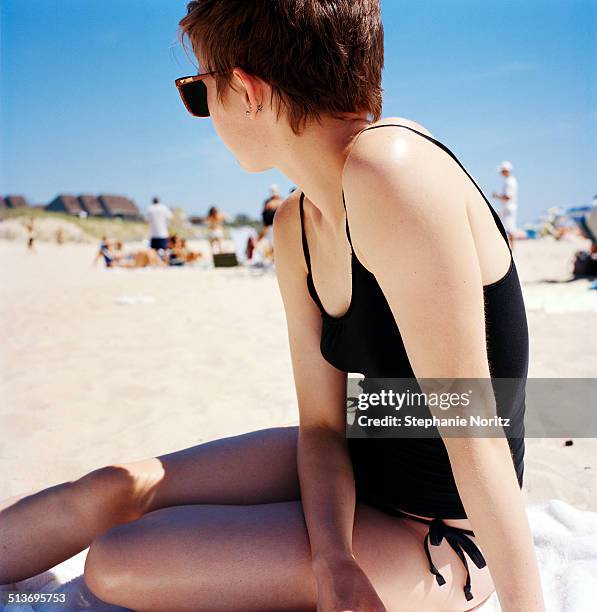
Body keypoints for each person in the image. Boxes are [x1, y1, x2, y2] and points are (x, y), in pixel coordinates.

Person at [0, 2, 544, 611]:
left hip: (441, 528)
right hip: (364, 452)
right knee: (110, 492)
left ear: (246, 90)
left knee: (121, 559)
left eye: (197, 92)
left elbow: (474, 435)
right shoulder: (297, 223)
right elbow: (321, 427)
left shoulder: (395, 174)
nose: (201, 113)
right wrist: (330, 553)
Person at [492, 161, 519, 249]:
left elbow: (508, 197)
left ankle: (512, 248)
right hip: (506, 208)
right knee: (506, 227)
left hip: (508, 208)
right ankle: (510, 247)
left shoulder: (510, 182)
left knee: (510, 228)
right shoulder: (510, 180)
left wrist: (496, 196)